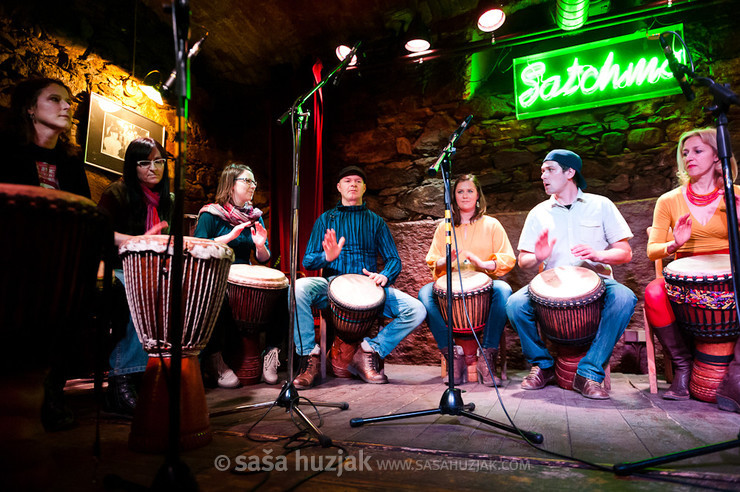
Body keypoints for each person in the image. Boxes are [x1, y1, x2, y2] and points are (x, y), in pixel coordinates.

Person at [505, 149, 637, 400]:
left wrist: (598, 254)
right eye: (542, 171)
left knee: (625, 298)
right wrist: (539, 256)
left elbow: (625, 253)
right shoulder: (538, 212)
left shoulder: (601, 205)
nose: (543, 175)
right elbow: (524, 261)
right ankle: (543, 365)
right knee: (514, 304)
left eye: (550, 170)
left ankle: (589, 371)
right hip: (551, 283)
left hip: (597, 281)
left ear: (570, 172)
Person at [0, 78, 92, 432]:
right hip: (13, 258)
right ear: (29, 107)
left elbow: (84, 214)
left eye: (68, 101)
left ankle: (51, 388)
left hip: (56, 266)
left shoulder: (70, 163)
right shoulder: (7, 150)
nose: (67, 106)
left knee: (80, 298)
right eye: (55, 99)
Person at [292, 166, 426, 388]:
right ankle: (309, 358)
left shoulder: (376, 222)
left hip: (370, 289)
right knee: (298, 288)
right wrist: (327, 257)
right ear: (339, 187)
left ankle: (368, 350)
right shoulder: (326, 220)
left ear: (364, 187)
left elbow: (394, 259)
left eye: (357, 181)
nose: (352, 184)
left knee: (417, 309)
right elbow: (308, 261)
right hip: (331, 286)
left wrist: (384, 275)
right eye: (347, 180)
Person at [646, 127, 739, 404]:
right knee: (653, 293)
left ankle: (736, 373)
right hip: (683, 275)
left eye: (698, 151)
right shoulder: (669, 200)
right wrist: (674, 245)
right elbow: (652, 250)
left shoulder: (735, 195)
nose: (689, 157)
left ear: (716, 156)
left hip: (730, 272)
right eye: (685, 153)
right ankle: (683, 366)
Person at [97, 137, 172, 416]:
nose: (153, 168)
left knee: (172, 296)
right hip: (116, 268)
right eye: (144, 163)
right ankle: (120, 380)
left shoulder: (167, 199)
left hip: (149, 268)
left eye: (159, 161)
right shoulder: (117, 193)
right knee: (138, 295)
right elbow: (101, 233)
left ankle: (150, 374)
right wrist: (139, 240)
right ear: (132, 166)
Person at [418, 174, 515, 386]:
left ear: (478, 195)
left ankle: (486, 356)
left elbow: (507, 258)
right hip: (450, 284)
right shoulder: (444, 227)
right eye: (460, 191)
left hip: (484, 282)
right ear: (453, 197)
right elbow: (433, 261)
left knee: (504, 290)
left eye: (470, 191)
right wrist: (445, 260)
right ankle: (452, 355)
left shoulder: (492, 224)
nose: (465, 195)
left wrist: (482, 263)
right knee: (425, 293)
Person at [194, 163, 279, 387]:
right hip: (214, 274)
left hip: (243, 273)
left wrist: (260, 246)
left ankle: (272, 352)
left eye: (254, 182)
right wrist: (229, 236)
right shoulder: (211, 214)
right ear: (231, 185)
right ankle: (214, 358)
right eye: (247, 181)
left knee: (283, 291)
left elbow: (264, 257)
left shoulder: (254, 217)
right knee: (218, 297)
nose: (253, 186)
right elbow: (196, 247)